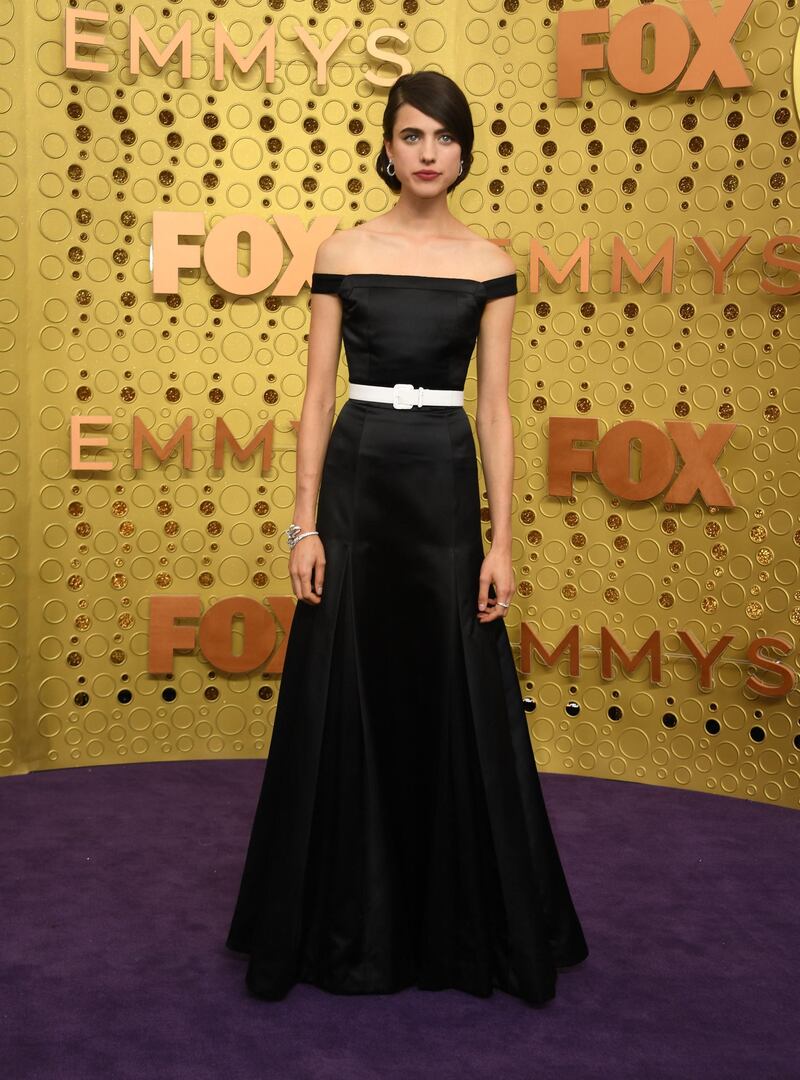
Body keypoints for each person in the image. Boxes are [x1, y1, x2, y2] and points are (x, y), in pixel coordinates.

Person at [225, 70, 589, 1005]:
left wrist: (502, 543)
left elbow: (498, 412)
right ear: (387, 147)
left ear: (465, 152)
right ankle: (335, 913)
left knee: (450, 685)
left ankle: (458, 922)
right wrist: (303, 524)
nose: (427, 152)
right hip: (356, 478)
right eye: (412, 135)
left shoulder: (489, 261)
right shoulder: (344, 248)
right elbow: (312, 399)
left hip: (440, 486)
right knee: (343, 679)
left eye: (444, 137)